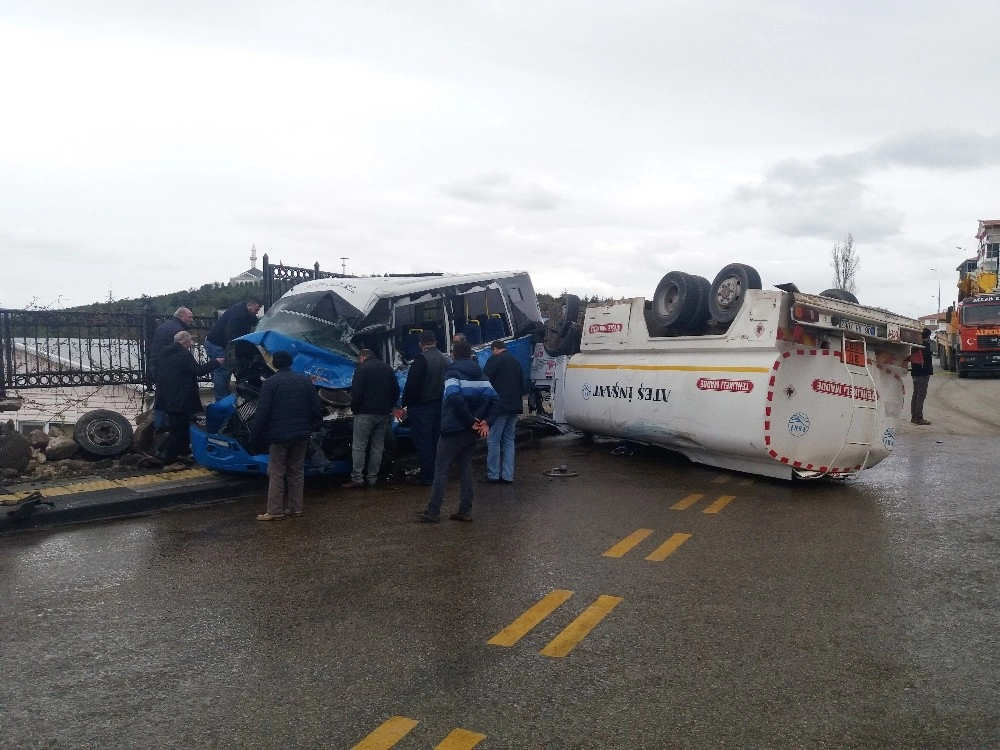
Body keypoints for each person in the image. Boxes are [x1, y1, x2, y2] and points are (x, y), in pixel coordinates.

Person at [416, 340, 499, 523]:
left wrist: (470, 421)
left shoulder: (452, 373)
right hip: (472, 433)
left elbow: (454, 397)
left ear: (453, 355)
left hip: (454, 429)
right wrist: (486, 423)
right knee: (465, 469)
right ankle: (465, 511)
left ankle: (433, 511)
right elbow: (495, 401)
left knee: (441, 470)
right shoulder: (482, 376)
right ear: (470, 355)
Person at [249, 351, 325, 521]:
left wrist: (254, 436)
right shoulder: (305, 381)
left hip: (278, 436)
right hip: (301, 435)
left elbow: (262, 413)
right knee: (296, 470)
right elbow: (315, 409)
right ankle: (296, 508)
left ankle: (275, 511)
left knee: (276, 472)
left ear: (275, 364)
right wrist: (309, 426)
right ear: (290, 363)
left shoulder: (270, 384)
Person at [154, 331, 222, 463]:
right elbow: (197, 371)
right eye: (190, 341)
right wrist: (215, 363)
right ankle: (168, 456)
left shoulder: (163, 353)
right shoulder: (183, 354)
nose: (191, 344)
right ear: (185, 341)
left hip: (166, 395)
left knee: (181, 425)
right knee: (179, 428)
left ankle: (183, 451)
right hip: (180, 397)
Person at [399, 329, 450, 486]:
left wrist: (405, 403)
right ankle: (439, 474)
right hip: (440, 405)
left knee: (423, 443)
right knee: (437, 441)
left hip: (421, 408)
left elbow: (412, 385)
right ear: (435, 342)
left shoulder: (421, 359)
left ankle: (427, 476)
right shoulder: (445, 359)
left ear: (421, 344)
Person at [343, 349, 400, 488]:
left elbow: (356, 392)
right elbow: (396, 391)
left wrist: (355, 409)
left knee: (359, 446)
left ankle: (357, 478)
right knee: (377, 447)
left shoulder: (362, 369)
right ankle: (372, 478)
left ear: (362, 357)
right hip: (383, 414)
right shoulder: (387, 368)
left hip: (365, 414)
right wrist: (389, 406)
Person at [482, 339, 524, 484]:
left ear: (494, 349)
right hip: (514, 407)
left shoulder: (495, 360)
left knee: (493, 440)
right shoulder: (515, 361)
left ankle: (493, 475)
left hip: (499, 408)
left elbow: (485, 382)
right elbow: (521, 384)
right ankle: (508, 475)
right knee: (508, 440)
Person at [204, 297, 263, 400]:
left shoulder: (245, 312)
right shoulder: (238, 315)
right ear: (249, 305)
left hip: (215, 341)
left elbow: (255, 322)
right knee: (223, 371)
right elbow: (231, 336)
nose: (256, 312)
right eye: (256, 310)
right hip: (217, 344)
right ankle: (222, 399)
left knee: (218, 371)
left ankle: (222, 395)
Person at [149, 307, 194, 431]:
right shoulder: (178, 330)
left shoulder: (165, 326)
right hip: (165, 366)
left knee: (161, 394)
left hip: (156, 363)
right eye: (189, 316)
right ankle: (167, 424)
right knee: (172, 395)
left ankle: (159, 424)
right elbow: (177, 351)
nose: (191, 319)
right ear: (181, 316)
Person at [907, 327, 934, 425]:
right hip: (923, 373)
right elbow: (926, 359)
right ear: (927, 336)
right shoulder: (924, 346)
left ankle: (913, 417)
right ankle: (918, 418)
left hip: (915, 372)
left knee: (915, 395)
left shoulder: (914, 346)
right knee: (920, 396)